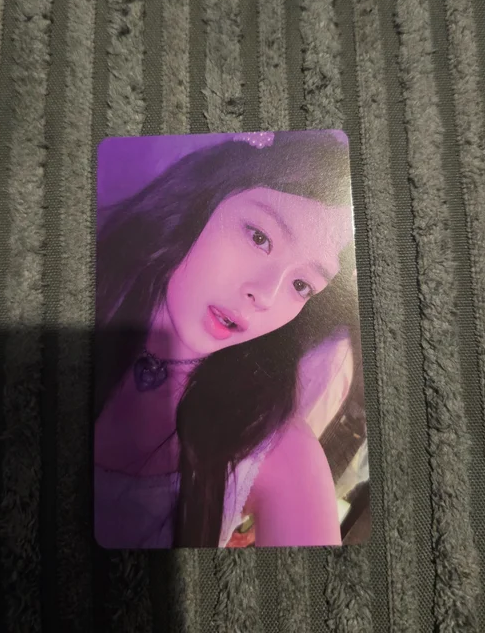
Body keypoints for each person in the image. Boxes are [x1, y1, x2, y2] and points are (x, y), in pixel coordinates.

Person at [94, 130, 357, 548]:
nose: (266, 295)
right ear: (201, 199)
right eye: (260, 237)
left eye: (302, 285)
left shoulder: (281, 454)